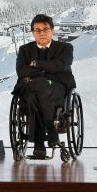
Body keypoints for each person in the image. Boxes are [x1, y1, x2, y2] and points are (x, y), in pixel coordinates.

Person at [12, 14, 76, 159]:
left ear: (52, 31)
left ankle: (39, 144)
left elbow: (61, 65)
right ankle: (51, 130)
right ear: (33, 32)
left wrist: (37, 65)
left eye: (45, 29)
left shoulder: (65, 48)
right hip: (30, 88)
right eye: (37, 30)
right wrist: (47, 70)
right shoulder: (25, 50)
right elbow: (21, 71)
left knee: (37, 90)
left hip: (56, 89)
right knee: (38, 86)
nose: (42, 33)